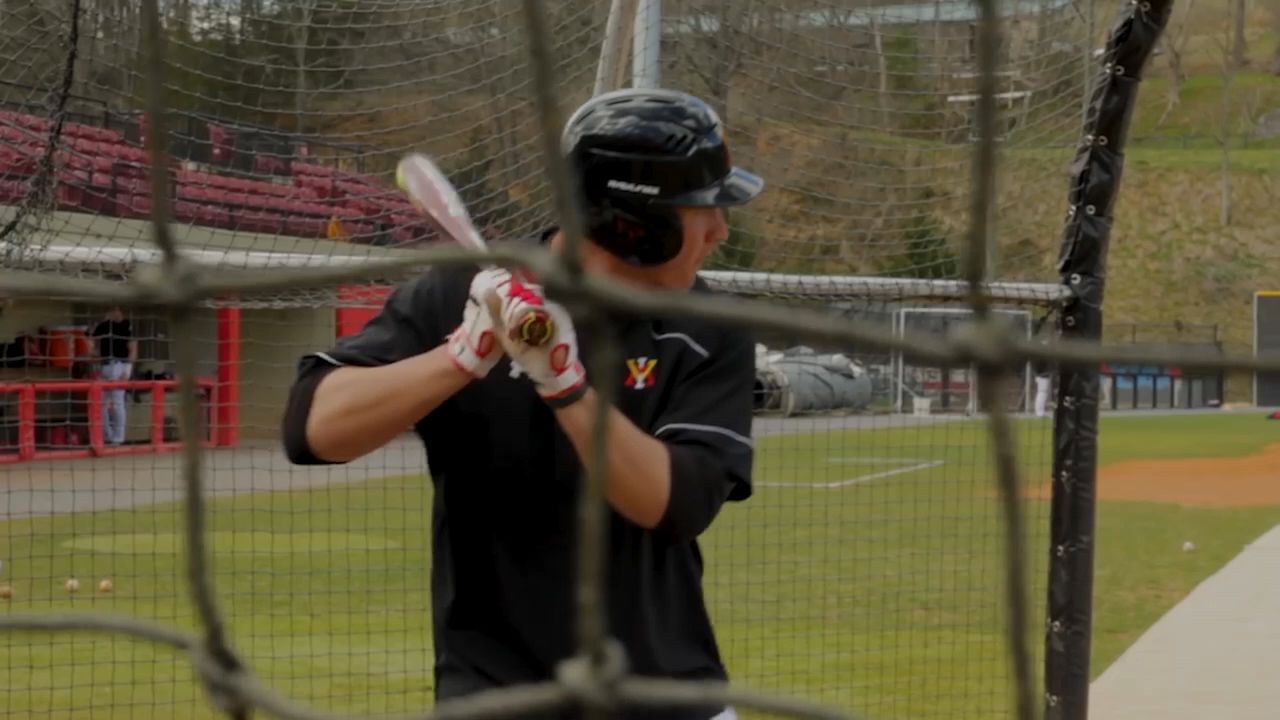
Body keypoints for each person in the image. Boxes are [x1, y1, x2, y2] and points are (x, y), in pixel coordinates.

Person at [281, 88, 764, 720]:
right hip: (496, 696)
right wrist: (459, 356)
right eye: (702, 209)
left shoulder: (710, 326)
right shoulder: (465, 291)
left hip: (666, 696)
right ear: (634, 222)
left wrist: (563, 384)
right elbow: (312, 429)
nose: (721, 230)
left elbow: (674, 504)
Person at [91, 304, 137, 445]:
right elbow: (93, 343)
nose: (113, 313)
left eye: (115, 310)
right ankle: (107, 435)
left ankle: (119, 437)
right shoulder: (104, 326)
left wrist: (128, 369)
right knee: (100, 404)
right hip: (104, 365)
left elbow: (133, 348)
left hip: (119, 365)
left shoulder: (126, 325)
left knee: (117, 402)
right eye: (111, 310)